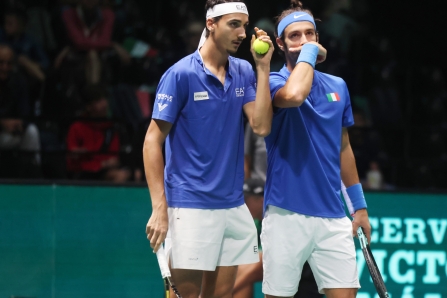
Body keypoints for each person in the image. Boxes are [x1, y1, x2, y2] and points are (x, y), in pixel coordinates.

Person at [143, 1, 274, 298]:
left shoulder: (242, 71)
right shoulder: (180, 75)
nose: (242, 33)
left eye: (245, 25)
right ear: (211, 24)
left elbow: (262, 126)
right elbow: (152, 141)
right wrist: (159, 208)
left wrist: (263, 68)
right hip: (189, 205)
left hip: (231, 205)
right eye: (233, 24)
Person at [261, 1, 372, 298]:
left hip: (333, 215)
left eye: (310, 34)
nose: (304, 41)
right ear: (280, 43)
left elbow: (343, 147)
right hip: (285, 213)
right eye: (295, 35)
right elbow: (295, 95)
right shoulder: (272, 83)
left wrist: (358, 208)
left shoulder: (338, 85)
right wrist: (310, 53)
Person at [66, 84, 131, 182]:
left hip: (104, 172)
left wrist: (106, 163)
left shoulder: (111, 128)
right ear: (88, 107)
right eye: (98, 101)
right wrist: (97, 163)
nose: (104, 104)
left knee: (126, 174)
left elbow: (114, 157)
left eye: (104, 99)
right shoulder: (77, 127)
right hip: (83, 173)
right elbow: (72, 158)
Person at [0, 44, 41, 178]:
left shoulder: (19, 81)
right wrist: (3, 123)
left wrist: (20, 123)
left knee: (32, 132)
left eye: (9, 63)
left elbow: (25, 112)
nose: (5, 67)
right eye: (1, 63)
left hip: (12, 133)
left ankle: (30, 177)